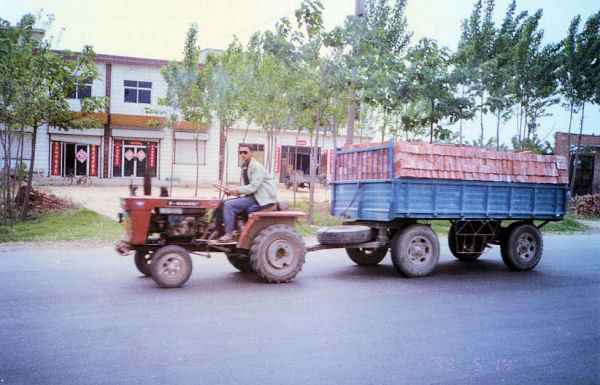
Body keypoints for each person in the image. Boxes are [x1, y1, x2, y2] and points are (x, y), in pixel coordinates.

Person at [212, 144, 278, 243]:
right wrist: (236, 193)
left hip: (261, 198)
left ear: (251, 153)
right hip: (252, 196)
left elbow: (253, 187)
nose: (243, 154)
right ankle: (216, 231)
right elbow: (247, 187)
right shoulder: (245, 166)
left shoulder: (256, 167)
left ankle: (229, 234)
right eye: (240, 152)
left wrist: (237, 190)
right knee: (221, 203)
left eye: (245, 152)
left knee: (229, 205)